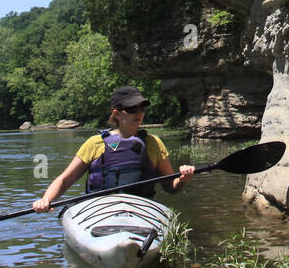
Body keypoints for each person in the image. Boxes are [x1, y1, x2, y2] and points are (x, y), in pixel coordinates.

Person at [32, 85, 195, 212]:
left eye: (142, 108)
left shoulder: (153, 143)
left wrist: (183, 180)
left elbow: (170, 187)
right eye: (131, 109)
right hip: (100, 210)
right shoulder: (94, 143)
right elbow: (64, 180)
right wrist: (46, 199)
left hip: (141, 210)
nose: (138, 113)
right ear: (117, 113)